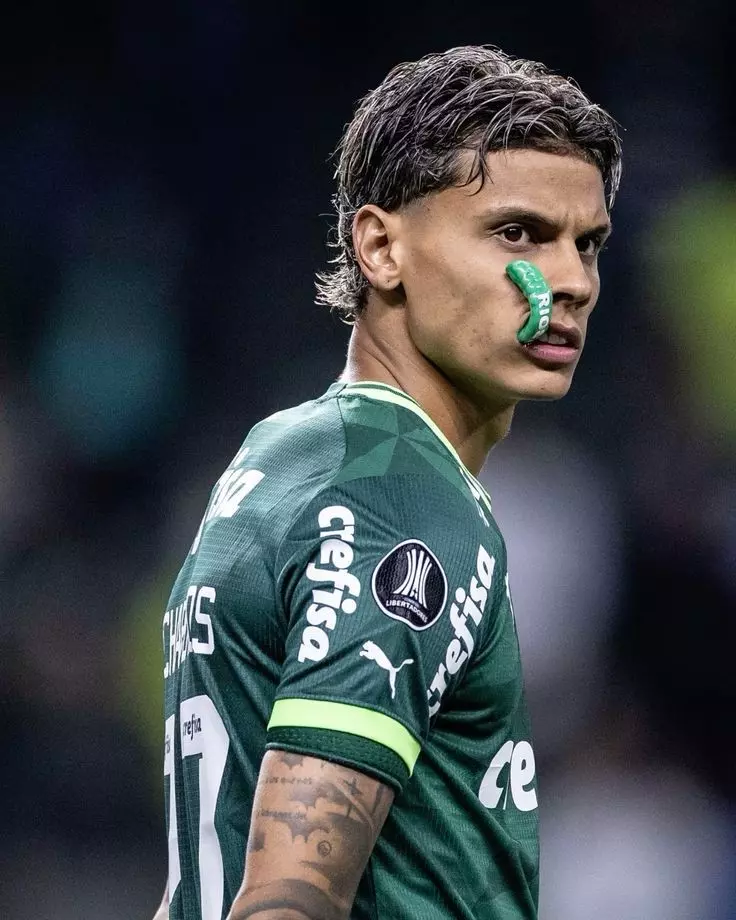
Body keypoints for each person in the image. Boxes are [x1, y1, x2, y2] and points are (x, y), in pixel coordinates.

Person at [153, 44, 622, 920]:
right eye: (517, 233)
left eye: (586, 243)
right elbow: (289, 900)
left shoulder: (281, 456)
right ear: (380, 247)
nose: (570, 282)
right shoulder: (403, 502)